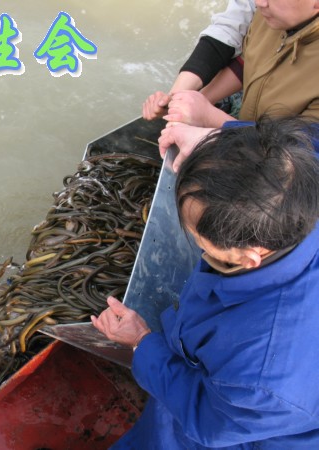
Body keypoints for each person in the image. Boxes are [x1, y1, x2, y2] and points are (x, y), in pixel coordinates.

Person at [91, 116, 319, 449]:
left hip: (241, 431)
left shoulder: (263, 374)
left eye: (199, 239)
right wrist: (214, 138)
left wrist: (141, 342)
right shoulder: (300, 181)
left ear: (249, 257)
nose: (195, 242)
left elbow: (208, 420)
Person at [164, 0, 319, 128]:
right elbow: (248, 62)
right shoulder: (273, 19)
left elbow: (296, 151)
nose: (258, 3)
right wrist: (188, 101)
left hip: (272, 151)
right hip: (246, 135)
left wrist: (212, 118)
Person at [142, 0, 255, 120]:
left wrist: (209, 117)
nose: (260, 3)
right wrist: (178, 99)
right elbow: (232, 33)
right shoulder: (261, 16)